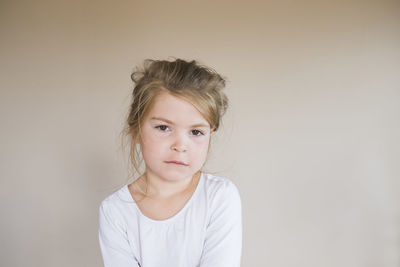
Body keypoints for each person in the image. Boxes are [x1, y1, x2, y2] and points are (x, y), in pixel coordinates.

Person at [98, 58, 242, 267]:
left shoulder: (219, 198)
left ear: (210, 134)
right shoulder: (115, 211)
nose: (180, 145)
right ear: (136, 130)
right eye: (163, 128)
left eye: (196, 132)